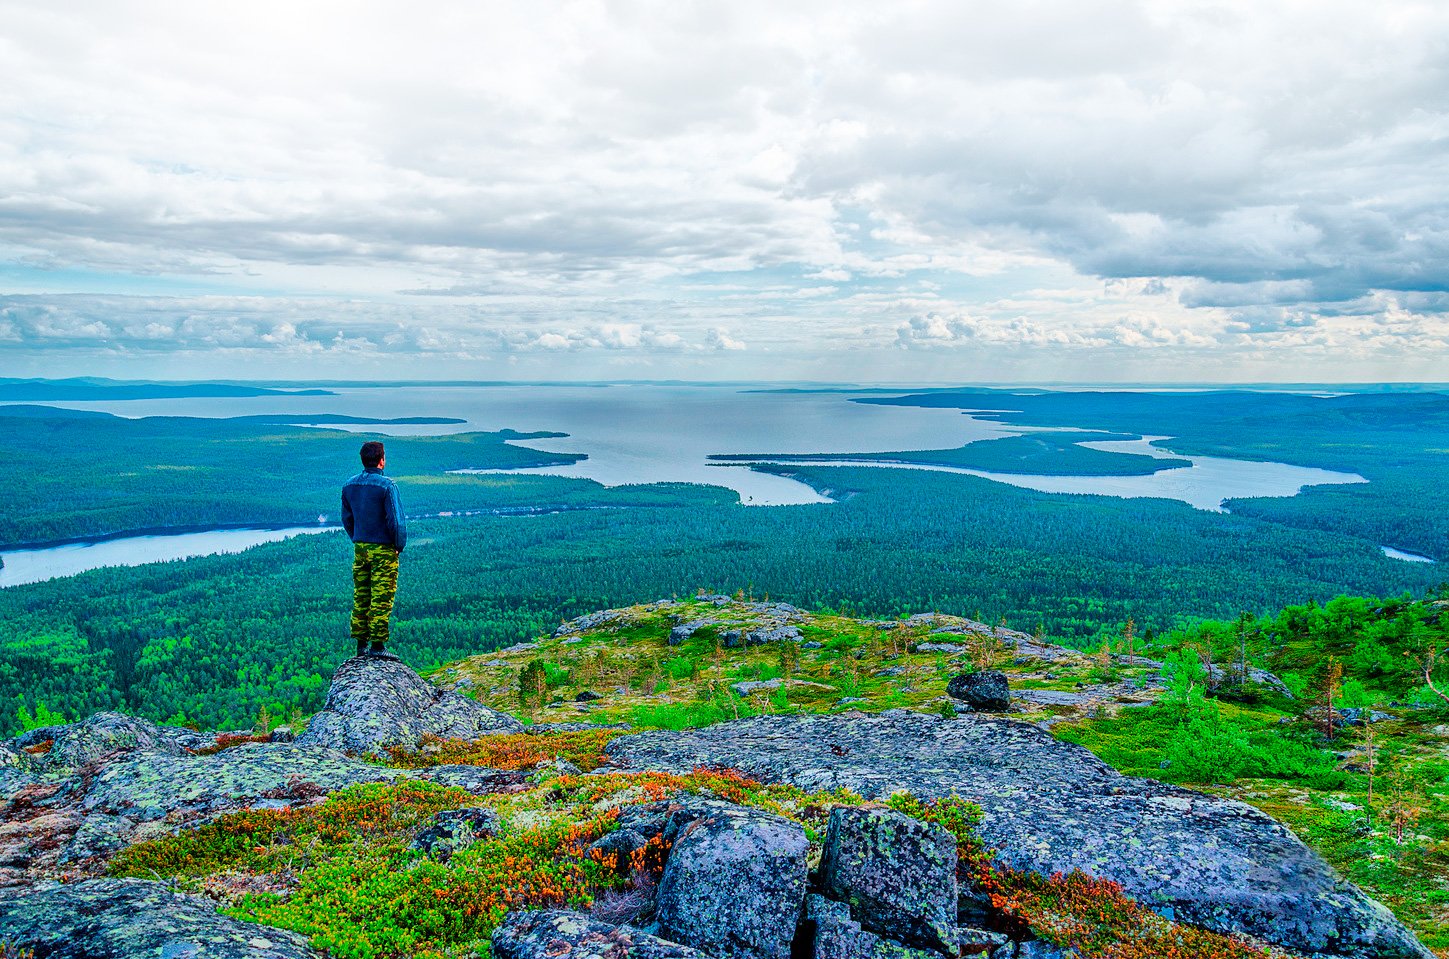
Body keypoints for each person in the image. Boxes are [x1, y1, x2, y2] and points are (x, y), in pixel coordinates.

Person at [341, 440, 406, 659]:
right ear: (381, 460)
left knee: (362, 594)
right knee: (381, 594)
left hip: (360, 547)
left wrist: (357, 539)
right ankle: (377, 646)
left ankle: (361, 645)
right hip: (384, 549)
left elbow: (347, 519)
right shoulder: (388, 486)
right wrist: (398, 545)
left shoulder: (349, 486)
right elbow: (396, 521)